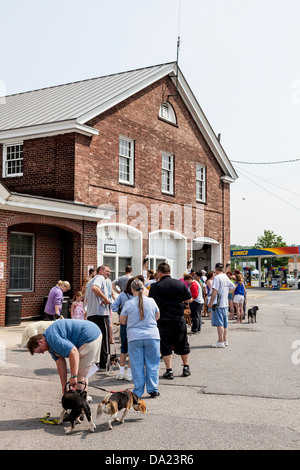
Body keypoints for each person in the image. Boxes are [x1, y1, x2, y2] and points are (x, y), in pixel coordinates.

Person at [27, 319, 102, 394]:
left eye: (40, 350)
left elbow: (73, 352)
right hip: (89, 332)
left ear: (40, 341)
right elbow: (60, 363)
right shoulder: (50, 344)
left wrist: (73, 376)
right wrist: (64, 386)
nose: (43, 352)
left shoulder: (53, 339)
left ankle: (79, 402)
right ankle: (81, 398)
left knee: (80, 376)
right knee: (81, 374)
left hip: (89, 336)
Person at [149, 262, 192, 379]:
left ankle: (169, 370)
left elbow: (150, 302)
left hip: (163, 320)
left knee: (165, 344)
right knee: (183, 343)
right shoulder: (180, 284)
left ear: (159, 273)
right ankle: (186, 368)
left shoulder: (155, 287)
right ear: (169, 271)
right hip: (178, 319)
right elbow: (189, 299)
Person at [120, 279, 160, 398]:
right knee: (152, 363)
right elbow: (157, 316)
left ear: (132, 290)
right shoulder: (151, 301)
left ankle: (138, 390)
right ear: (143, 288)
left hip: (134, 336)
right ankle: (153, 388)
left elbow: (122, 320)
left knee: (136, 364)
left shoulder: (129, 303)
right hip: (152, 335)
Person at [85, 265, 111, 370]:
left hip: (91, 313)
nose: (109, 273)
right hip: (100, 313)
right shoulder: (99, 278)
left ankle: (94, 362)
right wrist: (105, 298)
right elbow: (94, 288)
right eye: (107, 271)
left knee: (94, 339)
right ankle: (104, 363)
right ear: (101, 271)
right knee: (104, 338)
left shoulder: (91, 280)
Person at [111, 278, 134, 380]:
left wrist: (120, 311)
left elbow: (113, 306)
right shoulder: (138, 296)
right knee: (133, 348)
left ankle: (121, 372)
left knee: (123, 347)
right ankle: (129, 373)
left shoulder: (123, 295)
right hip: (135, 323)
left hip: (124, 322)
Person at [208, 263, 235, 348]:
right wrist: (226, 292)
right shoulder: (225, 277)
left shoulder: (217, 278)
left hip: (218, 304)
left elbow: (215, 291)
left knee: (219, 324)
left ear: (215, 269)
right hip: (225, 303)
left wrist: (210, 302)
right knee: (225, 324)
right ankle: (225, 340)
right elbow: (233, 286)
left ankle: (220, 341)